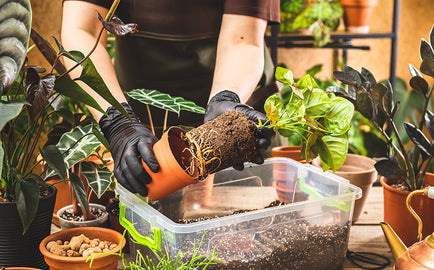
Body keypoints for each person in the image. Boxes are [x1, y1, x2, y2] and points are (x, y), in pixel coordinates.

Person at [61, 0, 280, 197]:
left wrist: (226, 97)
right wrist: (118, 121)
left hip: (233, 105)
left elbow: (242, 39)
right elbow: (82, 29)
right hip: (139, 125)